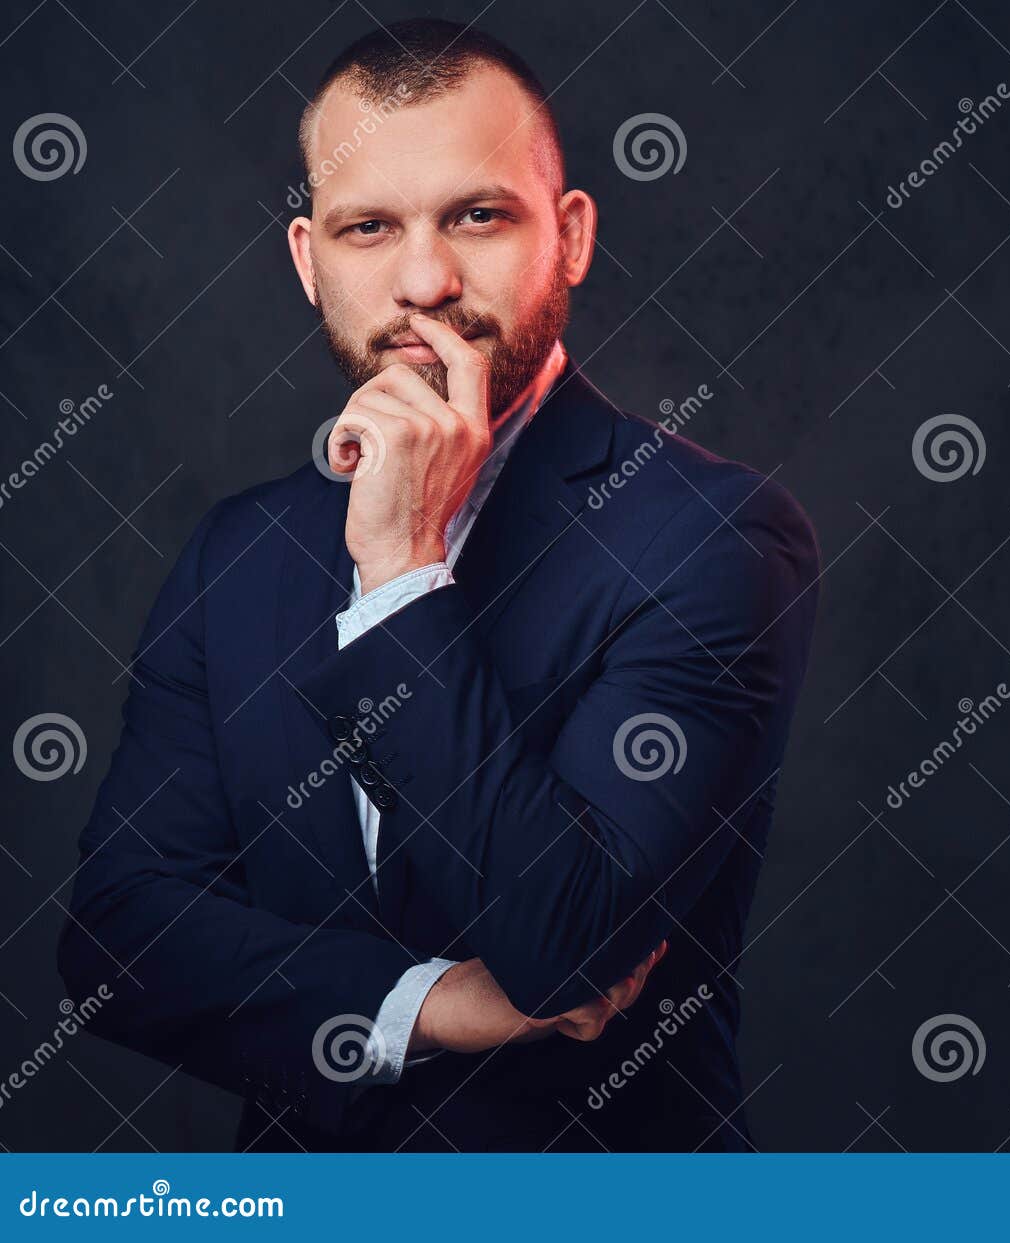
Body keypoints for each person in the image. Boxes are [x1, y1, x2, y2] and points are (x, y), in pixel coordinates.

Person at [58, 17, 820, 1152]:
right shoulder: (238, 554)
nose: (425, 281)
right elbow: (116, 946)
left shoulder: (716, 536)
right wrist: (432, 1005)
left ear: (568, 237)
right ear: (311, 261)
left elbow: (565, 943)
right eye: (371, 228)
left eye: (478, 215)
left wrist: (405, 573)